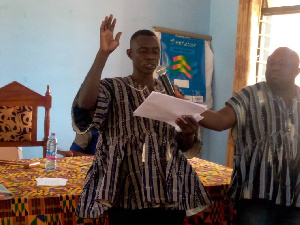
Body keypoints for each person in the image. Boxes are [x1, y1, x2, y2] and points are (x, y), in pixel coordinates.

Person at [71, 14, 212, 225]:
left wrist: (189, 132)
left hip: (170, 192)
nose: (150, 57)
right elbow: (85, 103)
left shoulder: (172, 91)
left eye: (155, 52)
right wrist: (103, 54)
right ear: (130, 54)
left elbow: (183, 146)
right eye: (143, 51)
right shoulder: (113, 87)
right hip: (126, 191)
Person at [175, 47, 300, 225]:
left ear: (297, 71)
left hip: (295, 197)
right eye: (271, 63)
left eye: (283, 64)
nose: (275, 68)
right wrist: (185, 106)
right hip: (257, 195)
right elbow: (219, 120)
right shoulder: (250, 95)